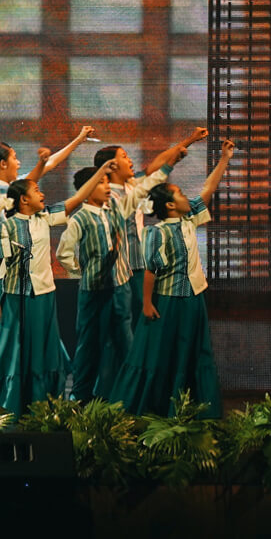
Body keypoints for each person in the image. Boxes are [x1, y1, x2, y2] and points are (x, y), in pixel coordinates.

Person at [0, 161, 117, 417]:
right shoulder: (3, 225)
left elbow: (78, 197)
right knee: (10, 353)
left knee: (42, 353)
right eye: (36, 190)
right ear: (24, 200)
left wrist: (101, 171)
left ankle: (39, 406)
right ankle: (3, 407)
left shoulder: (44, 217)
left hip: (45, 296)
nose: (42, 194)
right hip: (16, 298)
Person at [105, 140, 236, 418]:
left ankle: (197, 410)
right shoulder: (157, 232)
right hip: (168, 301)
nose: (186, 197)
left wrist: (224, 160)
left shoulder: (188, 221)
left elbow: (207, 190)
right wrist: (147, 303)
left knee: (195, 352)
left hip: (194, 298)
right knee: (160, 354)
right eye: (179, 195)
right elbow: (150, 271)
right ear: (169, 205)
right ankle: (153, 409)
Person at [57, 149, 181, 403]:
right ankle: (80, 399)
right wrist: (80, 272)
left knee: (127, 343)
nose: (107, 188)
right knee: (90, 347)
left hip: (121, 285)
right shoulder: (80, 218)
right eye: (101, 184)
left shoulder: (115, 208)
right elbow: (64, 253)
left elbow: (142, 188)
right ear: (88, 189)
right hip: (94, 292)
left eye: (106, 182)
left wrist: (167, 167)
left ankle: (131, 398)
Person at [94, 127, 210, 324]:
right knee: (121, 321)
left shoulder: (131, 185)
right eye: (124, 156)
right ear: (112, 166)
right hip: (118, 269)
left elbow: (157, 164)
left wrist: (190, 140)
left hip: (138, 264)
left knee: (143, 317)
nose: (129, 160)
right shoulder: (106, 196)